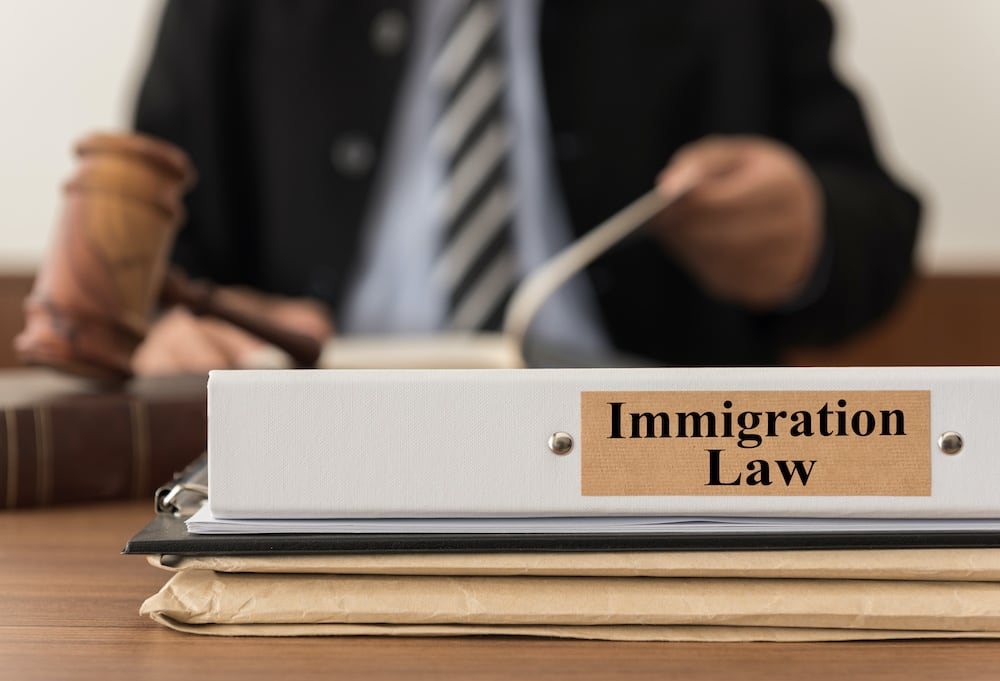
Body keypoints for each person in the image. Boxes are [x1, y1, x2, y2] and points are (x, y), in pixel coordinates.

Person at [131, 0, 920, 373]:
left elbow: (877, 226)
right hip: (317, 448)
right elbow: (150, 249)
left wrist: (808, 233)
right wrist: (172, 328)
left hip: (651, 466)